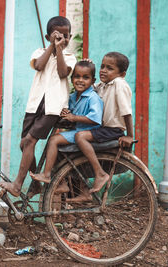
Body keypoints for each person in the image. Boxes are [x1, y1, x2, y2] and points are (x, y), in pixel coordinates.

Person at [0, 16, 77, 197]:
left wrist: (59, 49)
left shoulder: (69, 57)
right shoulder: (39, 52)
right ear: (47, 36)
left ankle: (17, 185)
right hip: (34, 105)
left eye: (65, 36)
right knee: (23, 143)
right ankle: (35, 185)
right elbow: (39, 66)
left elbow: (63, 72)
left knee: (30, 141)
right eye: (57, 35)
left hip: (53, 108)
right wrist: (51, 47)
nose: (61, 39)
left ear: (70, 37)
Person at [30, 60, 103, 194]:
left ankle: (46, 174)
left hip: (88, 133)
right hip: (77, 131)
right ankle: (62, 182)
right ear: (72, 78)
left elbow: (95, 119)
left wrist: (73, 117)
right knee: (59, 150)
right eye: (77, 77)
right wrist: (65, 112)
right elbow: (66, 109)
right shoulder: (73, 96)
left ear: (93, 80)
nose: (80, 80)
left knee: (54, 140)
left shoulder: (93, 97)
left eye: (85, 77)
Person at [72, 52, 133, 200]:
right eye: (102, 66)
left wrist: (130, 135)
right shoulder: (103, 85)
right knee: (75, 151)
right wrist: (87, 67)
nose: (103, 70)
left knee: (80, 137)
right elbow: (89, 86)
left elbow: (126, 112)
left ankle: (100, 173)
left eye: (109, 68)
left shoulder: (119, 84)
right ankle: (85, 191)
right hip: (102, 129)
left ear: (122, 74)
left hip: (113, 130)